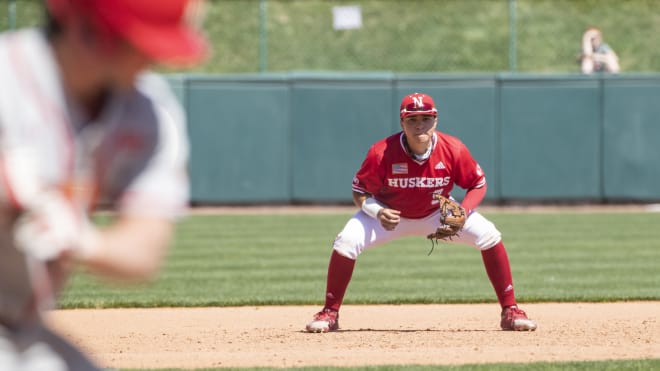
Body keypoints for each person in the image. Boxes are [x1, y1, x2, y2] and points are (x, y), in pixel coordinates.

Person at [0, 0, 208, 369]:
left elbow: (144, 253)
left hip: (21, 332)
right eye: (139, 45)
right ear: (85, 28)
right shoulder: (8, 78)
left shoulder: (148, 114)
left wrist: (83, 239)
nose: (152, 60)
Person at [305, 93, 537, 333]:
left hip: (436, 213)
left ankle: (510, 310)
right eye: (412, 119)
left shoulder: (453, 149)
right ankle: (330, 312)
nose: (419, 125)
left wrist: (462, 213)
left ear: (435, 121)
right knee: (346, 241)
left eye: (425, 118)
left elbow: (477, 184)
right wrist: (377, 212)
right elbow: (359, 191)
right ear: (402, 122)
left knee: (489, 235)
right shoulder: (381, 152)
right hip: (389, 216)